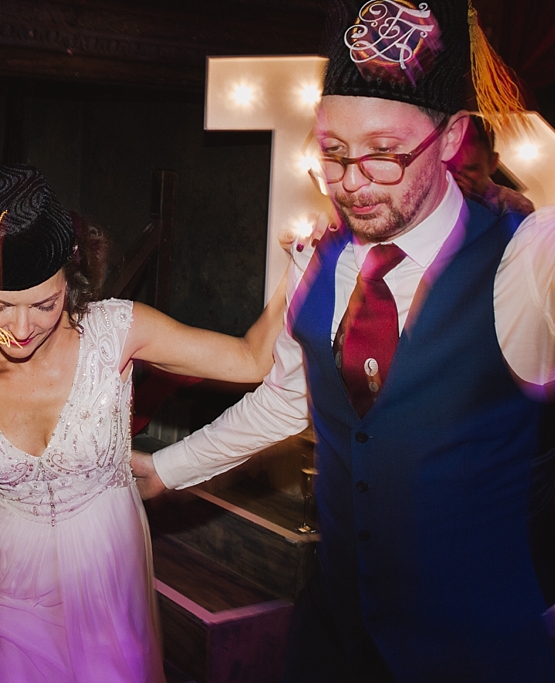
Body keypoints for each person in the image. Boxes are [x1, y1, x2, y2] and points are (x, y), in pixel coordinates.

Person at [133, 1, 555, 681]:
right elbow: (290, 397)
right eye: (332, 153)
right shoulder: (316, 259)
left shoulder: (527, 257)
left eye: (383, 155)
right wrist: (169, 468)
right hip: (333, 641)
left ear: (451, 137)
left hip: (476, 653)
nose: (351, 183)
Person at [0, 163, 287, 683]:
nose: (21, 328)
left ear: (69, 277)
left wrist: (307, 262)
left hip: (107, 560)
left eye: (45, 303)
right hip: (4, 566)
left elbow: (251, 359)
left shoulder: (117, 331)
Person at [447, 113, 535, 215]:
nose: (458, 177)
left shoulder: (516, 206)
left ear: (493, 163)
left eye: (471, 169)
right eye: (451, 167)